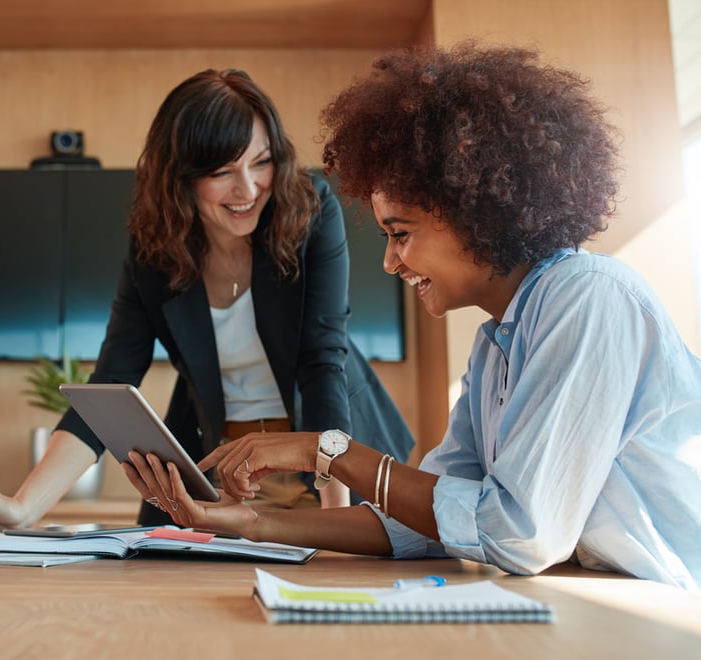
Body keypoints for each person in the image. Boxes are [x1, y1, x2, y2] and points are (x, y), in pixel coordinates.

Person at [124, 43, 701, 590]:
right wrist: (251, 525)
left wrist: (326, 451)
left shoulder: (588, 298)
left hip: (667, 602)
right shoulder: (495, 344)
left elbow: (518, 532)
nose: (390, 259)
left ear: (475, 210)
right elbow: (427, 522)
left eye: (400, 234)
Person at [0, 68, 414, 534]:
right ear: (181, 177)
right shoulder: (155, 251)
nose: (248, 189)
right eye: (223, 171)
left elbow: (321, 360)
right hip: (225, 477)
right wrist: (20, 510)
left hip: (330, 466)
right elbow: (111, 384)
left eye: (261, 161)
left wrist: (335, 521)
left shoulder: (309, 211)